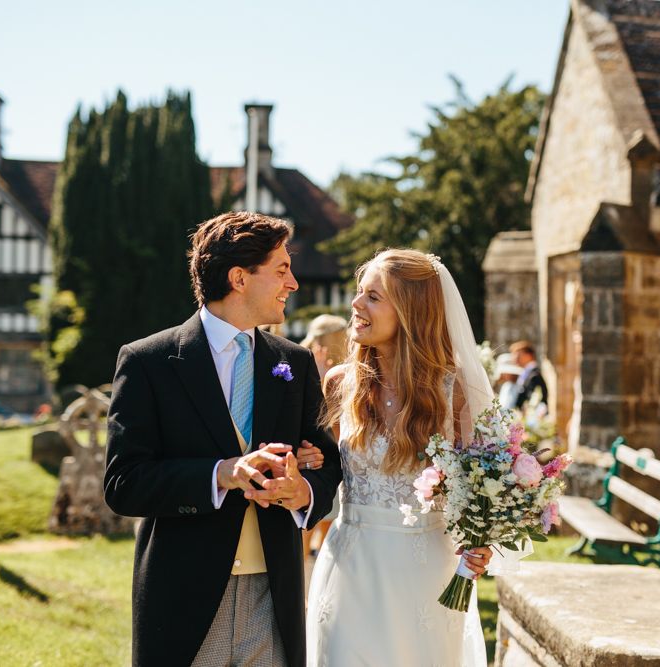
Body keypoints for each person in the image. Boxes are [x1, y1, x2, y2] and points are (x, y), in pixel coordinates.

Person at [104, 211, 342, 667]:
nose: (292, 283)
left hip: (274, 595)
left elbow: (326, 463)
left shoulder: (294, 364)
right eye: (281, 270)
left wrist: (304, 490)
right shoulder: (149, 361)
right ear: (238, 278)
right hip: (184, 594)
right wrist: (222, 474)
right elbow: (123, 483)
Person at [299, 249, 494, 666]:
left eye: (373, 296)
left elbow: (480, 483)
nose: (356, 304)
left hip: (425, 571)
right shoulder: (339, 384)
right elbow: (330, 472)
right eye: (359, 293)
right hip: (349, 562)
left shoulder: (452, 388)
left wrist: (480, 539)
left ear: (410, 311)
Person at [298, 314, 349, 557]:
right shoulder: (303, 364)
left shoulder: (344, 369)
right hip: (315, 458)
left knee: (329, 527)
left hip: (337, 458)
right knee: (306, 530)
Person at [510, 340, 549, 410]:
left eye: (518, 355)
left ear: (528, 355)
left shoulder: (535, 375)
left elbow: (534, 400)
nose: (514, 359)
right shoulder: (526, 374)